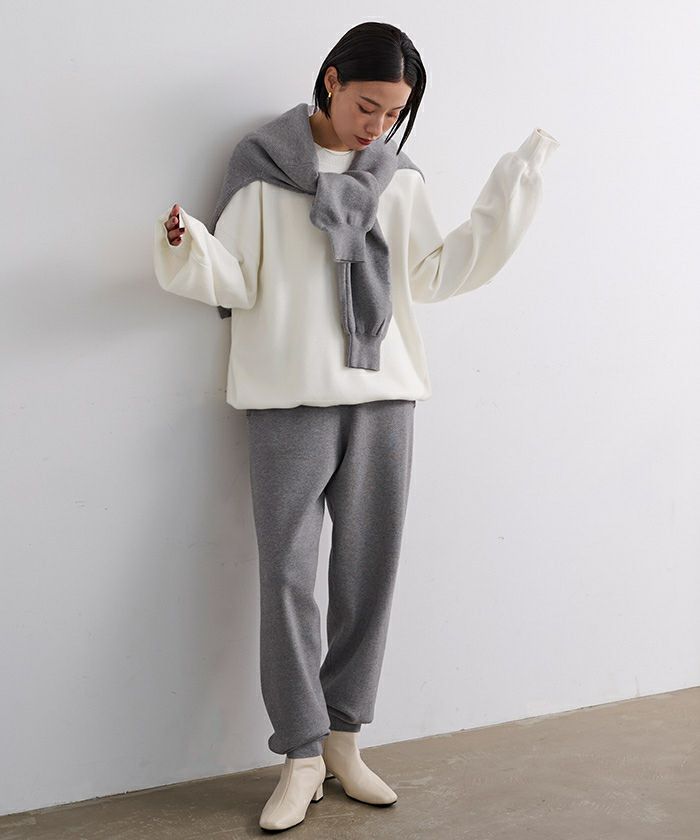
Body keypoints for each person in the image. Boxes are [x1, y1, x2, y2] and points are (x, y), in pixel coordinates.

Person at [152, 20, 559, 832]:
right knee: (287, 577)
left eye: (394, 114)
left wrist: (512, 191)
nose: (377, 126)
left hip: (384, 399)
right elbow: (237, 279)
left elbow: (433, 275)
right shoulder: (262, 169)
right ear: (331, 79)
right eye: (367, 105)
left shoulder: (396, 180)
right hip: (287, 399)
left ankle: (344, 740)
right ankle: (300, 754)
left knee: (368, 574)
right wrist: (187, 243)